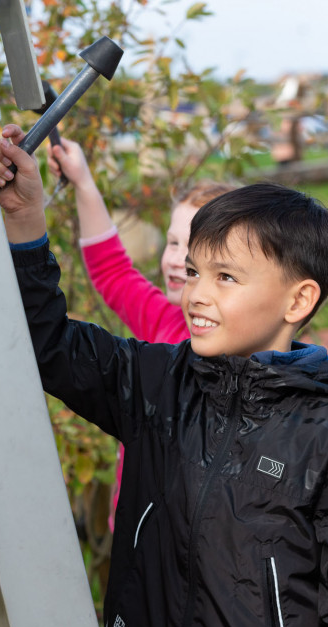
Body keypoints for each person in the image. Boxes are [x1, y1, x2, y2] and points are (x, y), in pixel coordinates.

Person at [0, 124, 328, 627]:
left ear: (298, 300)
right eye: (193, 272)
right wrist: (24, 222)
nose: (196, 294)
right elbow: (49, 342)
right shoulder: (156, 385)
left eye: (226, 277)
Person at [48, 138, 235, 530]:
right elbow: (112, 271)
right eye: (172, 242)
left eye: (192, 246)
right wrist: (83, 182)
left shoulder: (241, 351)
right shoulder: (163, 321)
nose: (173, 259)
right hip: (137, 536)